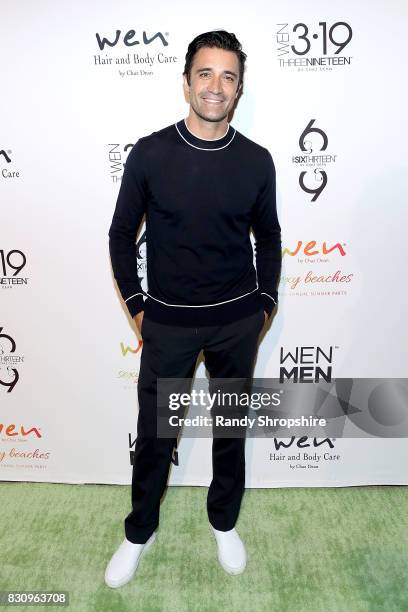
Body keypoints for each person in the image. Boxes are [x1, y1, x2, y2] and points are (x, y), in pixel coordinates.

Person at [105, 29, 281, 588]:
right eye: (205, 73)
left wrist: (265, 306)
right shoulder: (151, 153)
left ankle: (223, 522)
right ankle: (139, 531)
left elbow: (270, 238)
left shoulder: (257, 161)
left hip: (236, 322)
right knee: (155, 436)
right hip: (168, 326)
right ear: (186, 83)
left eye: (228, 76)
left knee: (230, 430)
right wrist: (137, 307)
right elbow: (119, 235)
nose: (215, 86)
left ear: (238, 90)